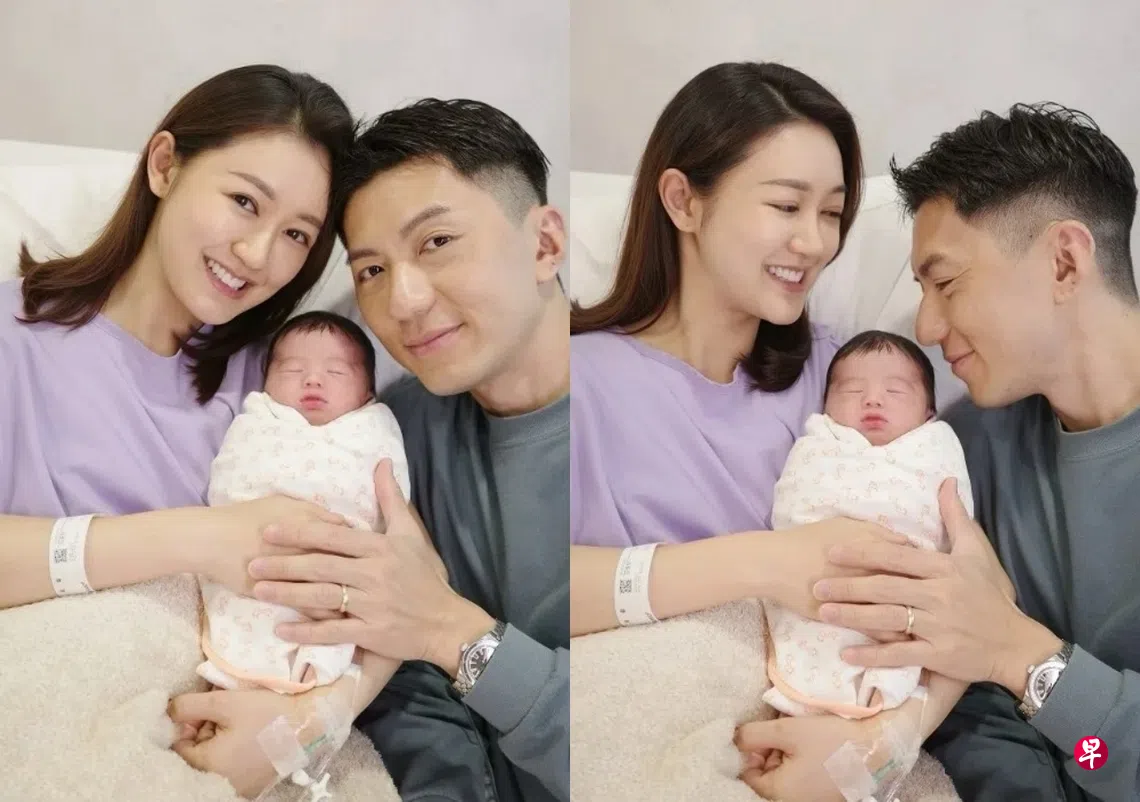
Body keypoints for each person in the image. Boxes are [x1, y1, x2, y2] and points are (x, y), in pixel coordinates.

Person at [569, 61, 970, 802]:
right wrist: (766, 562)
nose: (815, 242)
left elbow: (971, 589)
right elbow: (541, 596)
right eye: (787, 205)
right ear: (683, 200)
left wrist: (883, 746)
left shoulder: (855, 381)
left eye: (832, 213)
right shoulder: (579, 382)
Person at [0, 64, 402, 798]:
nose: (258, 254)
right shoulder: (15, 341)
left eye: (296, 235)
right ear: (165, 166)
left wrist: (305, 726)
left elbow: (402, 585)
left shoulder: (287, 384)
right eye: (244, 201)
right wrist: (201, 538)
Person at [805, 103, 1140, 802]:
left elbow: (1106, 752)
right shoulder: (958, 451)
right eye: (921, 291)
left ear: (1065, 262)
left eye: (947, 283)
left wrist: (1021, 655)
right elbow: (967, 696)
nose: (926, 325)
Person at [239, 99, 570, 802]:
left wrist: (451, 630)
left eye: (436, 242)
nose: (404, 301)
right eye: (371, 271)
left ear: (544, 245)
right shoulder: (389, 432)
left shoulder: (639, 422)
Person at [761, 331, 972, 727]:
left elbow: (954, 531)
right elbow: (794, 504)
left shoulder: (935, 447)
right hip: (820, 584)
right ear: (826, 405)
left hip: (907, 595)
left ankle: (871, 709)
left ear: (929, 411)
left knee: (900, 649)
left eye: (895, 391)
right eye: (852, 390)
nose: (872, 400)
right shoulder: (819, 445)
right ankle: (805, 711)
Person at [197, 311, 411, 694]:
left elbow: (390, 509)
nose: (312, 379)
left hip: (339, 574)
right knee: (247, 618)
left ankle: (308, 684)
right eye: (293, 370)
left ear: (367, 393)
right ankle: (231, 685)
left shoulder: (372, 429)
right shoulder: (259, 422)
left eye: (336, 372)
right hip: (254, 560)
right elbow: (230, 479)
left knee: (330, 633)